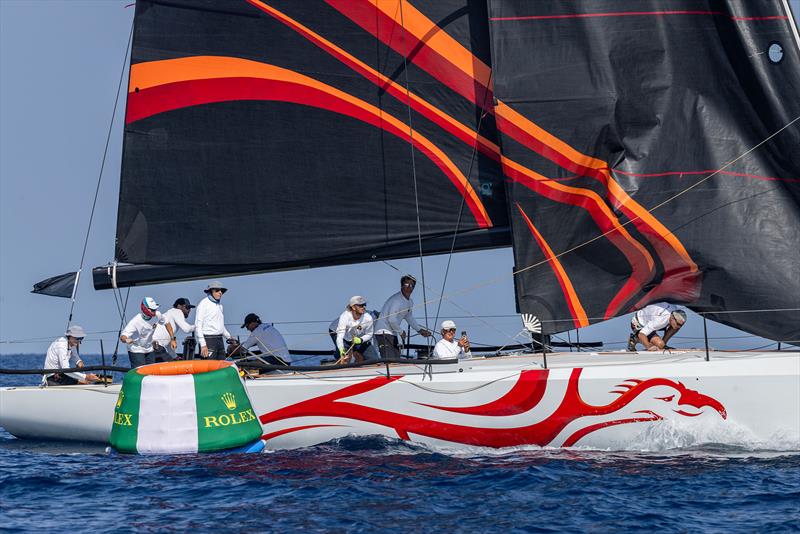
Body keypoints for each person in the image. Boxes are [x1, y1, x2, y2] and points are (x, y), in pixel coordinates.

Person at [374, 274, 432, 360]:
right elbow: (391, 320)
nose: (409, 287)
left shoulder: (409, 302)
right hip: (383, 332)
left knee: (397, 360)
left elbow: (409, 317)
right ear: (401, 286)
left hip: (392, 333)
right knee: (389, 360)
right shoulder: (397, 300)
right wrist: (401, 332)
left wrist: (419, 330)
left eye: (412, 285)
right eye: (406, 284)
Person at [120, 297, 174, 367]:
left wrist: (173, 339)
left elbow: (167, 322)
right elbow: (122, 337)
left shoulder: (158, 315)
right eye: (152, 310)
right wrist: (127, 340)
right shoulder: (135, 321)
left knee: (151, 372)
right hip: (136, 349)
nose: (155, 311)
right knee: (140, 371)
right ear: (145, 309)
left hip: (149, 348)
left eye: (155, 309)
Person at [195, 280, 235, 359]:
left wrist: (229, 337)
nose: (220, 292)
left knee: (221, 366)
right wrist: (203, 345)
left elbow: (221, 326)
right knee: (208, 367)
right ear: (210, 292)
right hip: (208, 340)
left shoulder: (220, 306)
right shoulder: (203, 304)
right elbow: (198, 325)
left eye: (221, 291)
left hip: (220, 340)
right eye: (217, 290)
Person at [152, 298, 196, 362]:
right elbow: (187, 329)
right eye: (187, 307)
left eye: (190, 308)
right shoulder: (177, 311)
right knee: (170, 367)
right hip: (156, 346)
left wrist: (176, 357)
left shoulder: (169, 314)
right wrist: (198, 326)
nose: (189, 310)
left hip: (153, 347)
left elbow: (169, 346)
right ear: (179, 306)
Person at [334, 296, 374, 364]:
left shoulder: (368, 318)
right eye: (360, 305)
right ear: (353, 307)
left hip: (359, 339)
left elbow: (369, 334)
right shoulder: (345, 317)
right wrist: (341, 349)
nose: (364, 307)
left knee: (375, 361)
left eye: (365, 305)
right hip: (345, 340)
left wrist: (361, 340)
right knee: (344, 359)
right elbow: (340, 336)